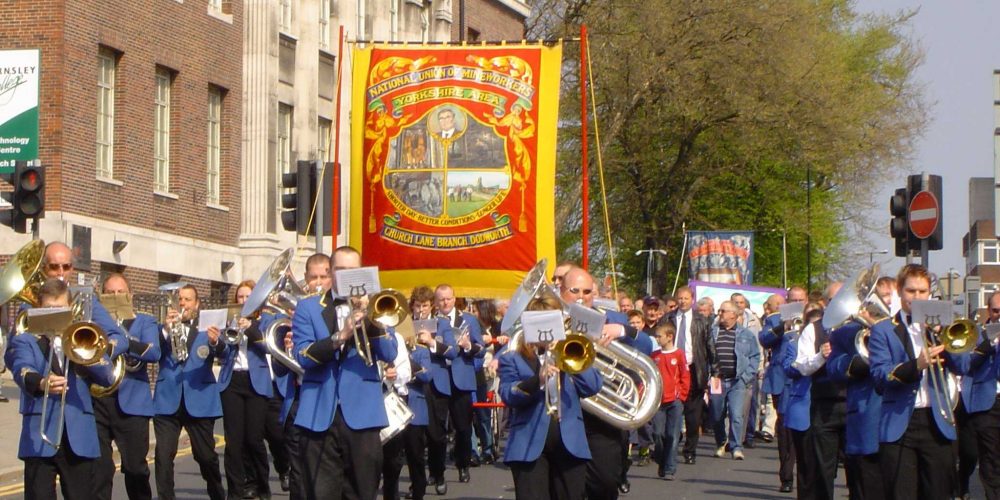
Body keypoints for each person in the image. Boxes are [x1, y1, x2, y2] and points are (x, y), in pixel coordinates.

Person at [292, 246, 399, 500]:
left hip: (363, 414)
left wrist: (371, 320)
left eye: (354, 271)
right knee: (321, 493)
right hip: (320, 413)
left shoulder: (376, 306)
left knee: (362, 492)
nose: (349, 276)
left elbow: (389, 352)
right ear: (331, 272)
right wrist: (341, 336)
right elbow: (302, 355)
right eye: (342, 270)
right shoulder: (308, 307)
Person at [7, 278, 116, 500]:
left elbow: (107, 375)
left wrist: (83, 352)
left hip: (79, 435)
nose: (55, 315)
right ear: (38, 309)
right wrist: (41, 382)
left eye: (60, 310)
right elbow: (21, 368)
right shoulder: (26, 339)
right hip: (40, 435)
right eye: (49, 309)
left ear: (70, 309)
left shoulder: (82, 336)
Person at [869, 264, 969, 499]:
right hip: (900, 423)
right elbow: (880, 377)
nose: (917, 297)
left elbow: (963, 366)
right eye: (911, 291)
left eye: (922, 292)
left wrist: (943, 334)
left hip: (937, 421)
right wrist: (916, 365)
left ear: (929, 293)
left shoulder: (943, 324)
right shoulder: (883, 330)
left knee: (939, 493)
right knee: (901, 494)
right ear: (900, 292)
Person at [498, 295, 602, 500]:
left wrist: (567, 357)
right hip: (528, 445)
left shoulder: (572, 350)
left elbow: (592, 386)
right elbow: (508, 394)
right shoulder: (512, 358)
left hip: (570, 443)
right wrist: (538, 381)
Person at [153, 284, 227, 500]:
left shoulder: (207, 328)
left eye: (187, 299)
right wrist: (166, 329)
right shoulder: (162, 328)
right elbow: (155, 351)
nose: (183, 303)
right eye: (180, 300)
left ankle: (216, 493)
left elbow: (224, 352)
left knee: (205, 457)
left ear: (197, 304)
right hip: (168, 400)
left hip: (199, 398)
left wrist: (216, 342)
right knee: (163, 457)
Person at [93, 273, 161, 500]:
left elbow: (153, 352)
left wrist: (120, 337)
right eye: (110, 293)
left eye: (120, 292)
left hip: (132, 403)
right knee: (100, 470)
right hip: (98, 400)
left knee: (135, 469)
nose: (115, 296)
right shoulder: (93, 323)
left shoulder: (145, 320)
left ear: (129, 295)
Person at [792, 282, 850, 500]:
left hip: (853, 402)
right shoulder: (813, 329)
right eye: (835, 300)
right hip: (825, 404)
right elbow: (802, 366)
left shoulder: (859, 326)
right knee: (823, 468)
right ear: (825, 303)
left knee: (857, 465)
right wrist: (821, 356)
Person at [219, 280, 272, 500]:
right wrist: (216, 341)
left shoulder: (265, 320)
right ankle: (235, 491)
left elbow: (268, 345)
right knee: (233, 441)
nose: (243, 301)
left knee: (254, 439)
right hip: (232, 380)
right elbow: (222, 351)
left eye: (247, 297)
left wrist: (249, 327)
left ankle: (260, 485)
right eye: (239, 297)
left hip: (256, 379)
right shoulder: (229, 320)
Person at [433, 284, 485, 484]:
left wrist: (468, 346)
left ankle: (463, 464)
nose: (445, 302)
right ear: (436, 302)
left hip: (461, 379)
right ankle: (437, 472)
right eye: (441, 299)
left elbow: (481, 349)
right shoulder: (432, 322)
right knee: (437, 430)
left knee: (463, 428)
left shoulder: (469, 320)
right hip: (439, 378)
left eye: (448, 298)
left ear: (454, 299)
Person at [709, 300, 760, 460]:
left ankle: (736, 446)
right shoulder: (713, 332)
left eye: (723, 310)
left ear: (733, 314)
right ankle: (721, 442)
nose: (720, 313)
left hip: (737, 380)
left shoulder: (746, 334)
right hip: (717, 379)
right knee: (717, 415)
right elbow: (706, 355)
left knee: (736, 415)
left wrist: (746, 377)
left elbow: (755, 357)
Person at [962, 291, 1000, 499]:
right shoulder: (977, 333)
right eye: (995, 311)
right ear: (988, 310)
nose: (999, 315)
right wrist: (989, 345)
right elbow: (966, 364)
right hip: (987, 402)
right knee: (990, 456)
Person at [758, 293, 795, 493]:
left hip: (803, 380)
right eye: (777, 305)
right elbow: (764, 339)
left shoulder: (812, 318)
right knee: (785, 429)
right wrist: (783, 326)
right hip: (781, 380)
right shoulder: (773, 320)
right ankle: (786, 476)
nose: (783, 306)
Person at [650, 322, 690, 480]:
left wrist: (682, 395)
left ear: (669, 336)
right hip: (659, 401)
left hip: (674, 400)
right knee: (658, 433)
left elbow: (685, 375)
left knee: (672, 434)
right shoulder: (655, 355)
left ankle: (669, 469)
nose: (657, 339)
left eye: (659, 336)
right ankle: (660, 459)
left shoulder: (679, 354)